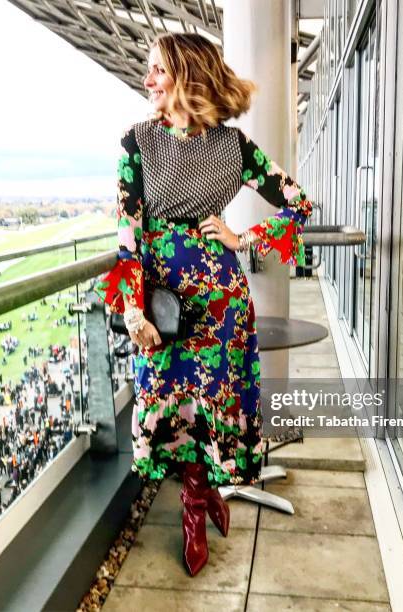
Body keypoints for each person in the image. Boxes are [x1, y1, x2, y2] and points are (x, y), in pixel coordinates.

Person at [95, 33, 312, 576]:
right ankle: (202, 494)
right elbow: (128, 234)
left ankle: (197, 503)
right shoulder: (136, 141)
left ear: (186, 75)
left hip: (220, 303)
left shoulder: (235, 148)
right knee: (174, 405)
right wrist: (132, 308)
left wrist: (244, 239)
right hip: (163, 304)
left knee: (213, 403)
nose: (147, 81)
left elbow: (299, 201)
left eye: (156, 71)